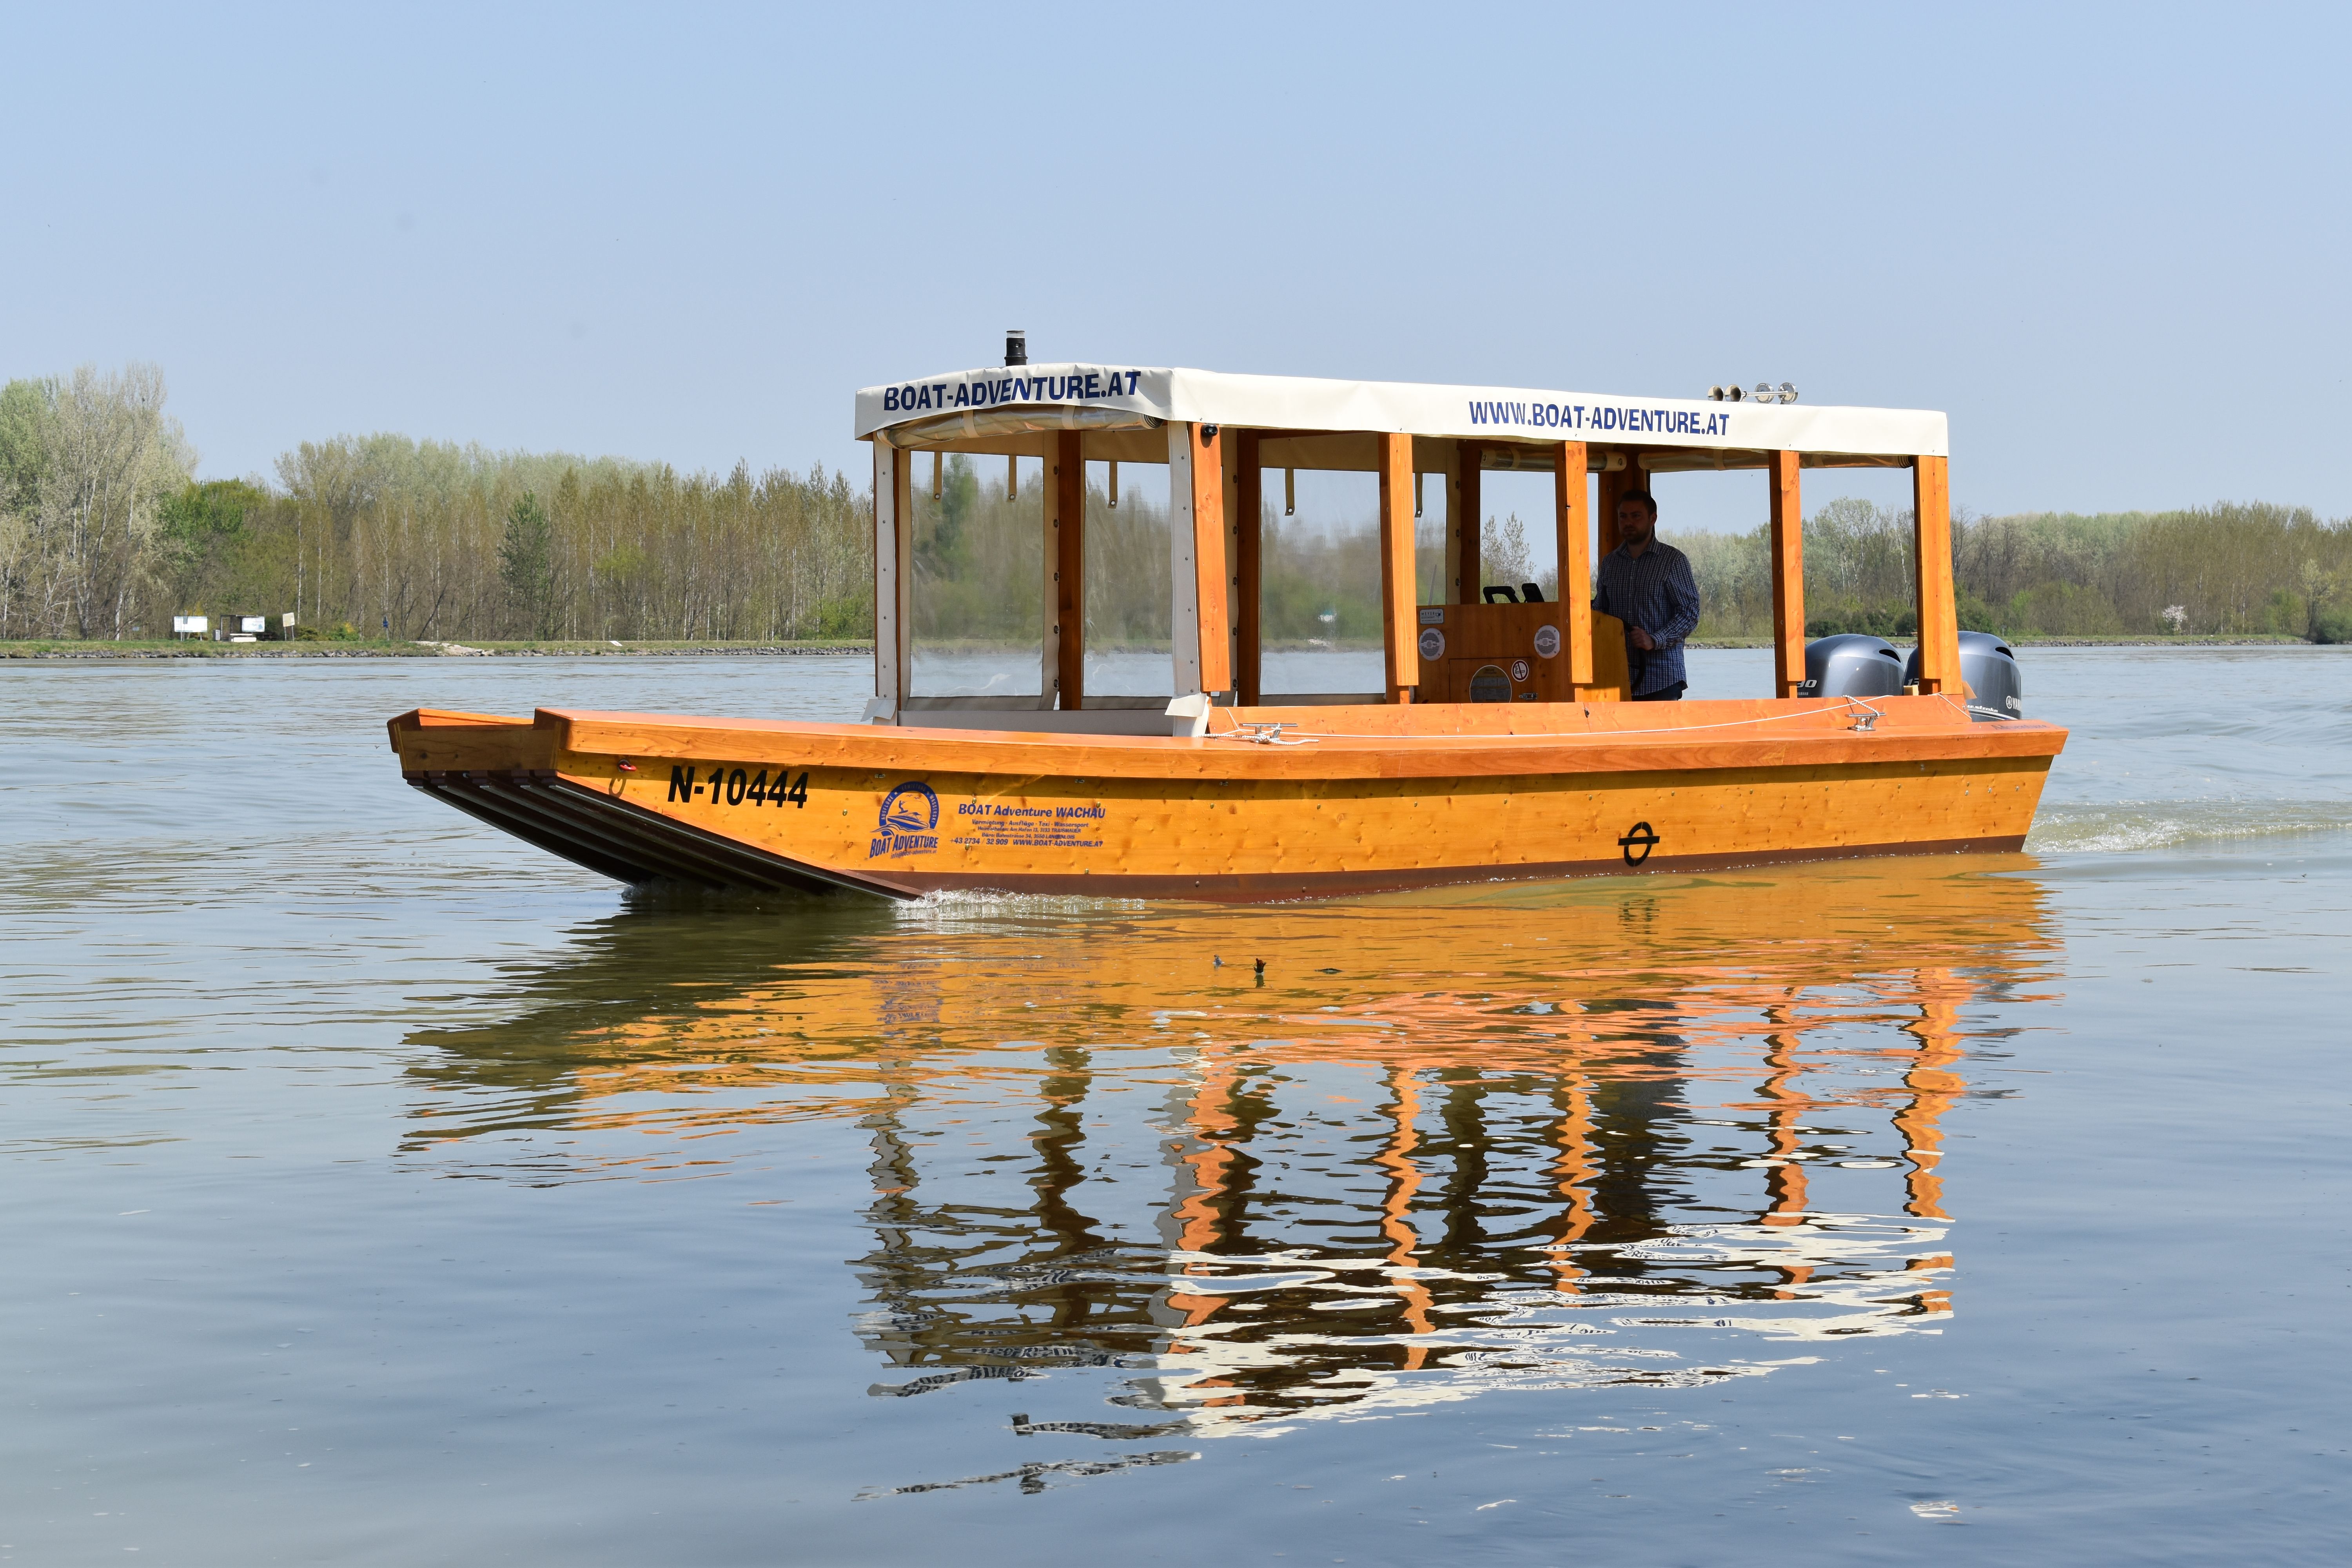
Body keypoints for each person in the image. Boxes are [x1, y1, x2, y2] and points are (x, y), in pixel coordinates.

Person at [1592, 490, 1699, 701]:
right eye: (1623, 516)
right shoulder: (1610, 563)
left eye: (1636, 516)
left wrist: (1654, 639)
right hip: (1616, 678)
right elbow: (1600, 612)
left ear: (1653, 519)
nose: (1628, 522)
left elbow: (1690, 613)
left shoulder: (1673, 561)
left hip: (1662, 680)